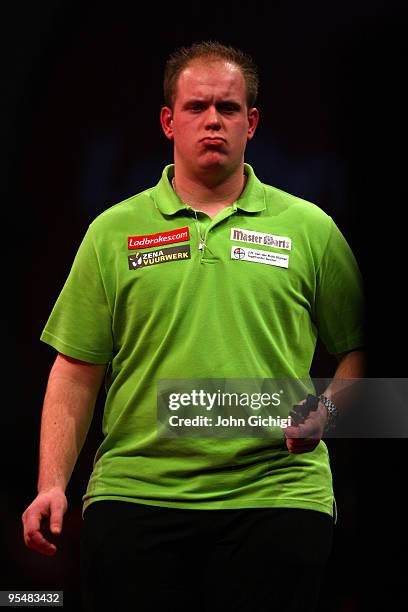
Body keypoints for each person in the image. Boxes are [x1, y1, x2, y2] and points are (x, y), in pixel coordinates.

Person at [22, 41, 365, 611]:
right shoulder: (113, 232)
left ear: (251, 123)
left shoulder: (311, 228)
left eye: (228, 109)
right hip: (137, 494)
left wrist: (327, 410)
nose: (213, 120)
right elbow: (75, 370)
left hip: (277, 496)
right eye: (197, 106)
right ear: (168, 121)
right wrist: (52, 484)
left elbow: (362, 351)